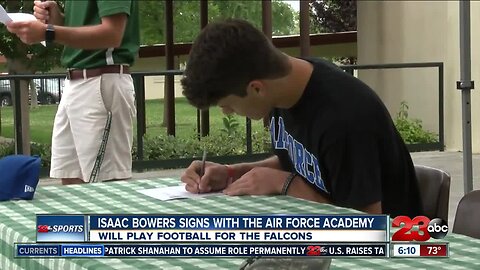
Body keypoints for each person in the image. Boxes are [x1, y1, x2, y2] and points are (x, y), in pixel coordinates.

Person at [180, 19, 423, 217]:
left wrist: (285, 184)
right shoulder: (284, 90)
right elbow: (304, 162)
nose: (228, 113)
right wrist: (232, 173)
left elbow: (367, 223)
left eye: (228, 105)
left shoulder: (344, 117)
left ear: (256, 88)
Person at [6, 0, 139, 185]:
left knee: (107, 186)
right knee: (71, 178)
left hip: (101, 81)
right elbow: (85, 28)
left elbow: (112, 34)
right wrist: (58, 19)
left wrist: (49, 32)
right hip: (74, 83)